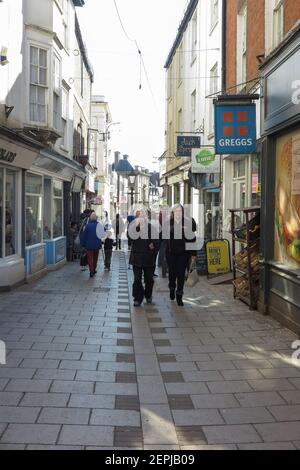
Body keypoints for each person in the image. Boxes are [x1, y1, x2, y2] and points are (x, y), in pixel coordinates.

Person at [165, 205, 197, 307]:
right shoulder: (168, 223)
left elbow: (192, 238)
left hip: (183, 253)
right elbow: (162, 236)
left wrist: (193, 254)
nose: (178, 213)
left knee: (181, 274)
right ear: (173, 212)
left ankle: (179, 295)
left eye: (180, 211)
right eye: (176, 211)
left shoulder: (188, 222)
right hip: (171, 253)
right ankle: (171, 287)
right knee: (172, 273)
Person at [129, 211, 160, 307]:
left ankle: (148, 295)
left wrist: (153, 245)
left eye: (143, 217)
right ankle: (137, 298)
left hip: (149, 258)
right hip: (136, 258)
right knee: (137, 279)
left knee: (149, 279)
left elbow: (158, 242)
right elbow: (129, 238)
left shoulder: (151, 228)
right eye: (140, 217)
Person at [80, 213, 103, 278]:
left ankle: (91, 271)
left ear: (90, 218)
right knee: (95, 258)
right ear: (96, 218)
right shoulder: (99, 225)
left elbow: (84, 236)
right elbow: (102, 235)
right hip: (97, 245)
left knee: (90, 258)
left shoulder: (87, 226)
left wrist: (83, 244)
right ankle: (94, 268)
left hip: (89, 245)